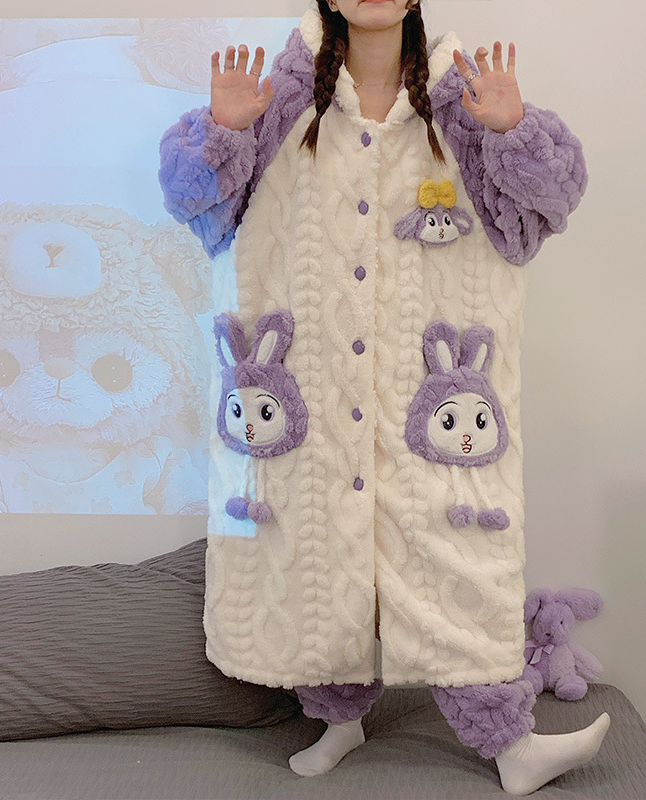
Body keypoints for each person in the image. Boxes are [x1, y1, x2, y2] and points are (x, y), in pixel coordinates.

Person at [159, 0, 608, 794]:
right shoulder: (278, 101)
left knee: (454, 565)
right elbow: (199, 210)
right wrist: (223, 134)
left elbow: (540, 216)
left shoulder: (464, 104)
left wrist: (512, 132)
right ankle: (339, 720)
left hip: (431, 403)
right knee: (319, 561)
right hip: (311, 399)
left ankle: (511, 745)